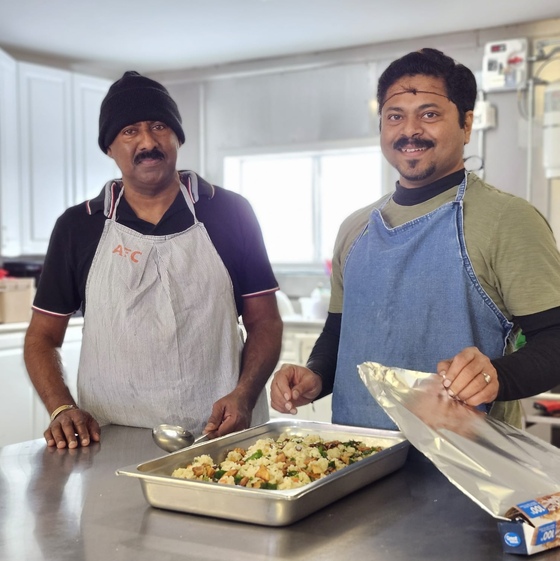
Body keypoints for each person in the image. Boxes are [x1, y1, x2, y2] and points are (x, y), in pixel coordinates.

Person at [271, 48, 560, 430]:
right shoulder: (355, 229)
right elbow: (340, 333)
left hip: (466, 469)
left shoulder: (507, 219)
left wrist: (495, 376)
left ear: (467, 124)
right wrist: (316, 375)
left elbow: (554, 340)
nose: (410, 131)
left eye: (429, 114)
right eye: (395, 117)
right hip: (356, 458)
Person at [24, 71, 283, 449]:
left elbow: (265, 322)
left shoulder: (230, 213)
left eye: (159, 126)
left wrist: (244, 395)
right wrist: (61, 408)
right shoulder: (78, 227)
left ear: (177, 136)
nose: (148, 142)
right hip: (109, 437)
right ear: (109, 147)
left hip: (222, 436)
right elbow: (41, 337)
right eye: (130, 131)